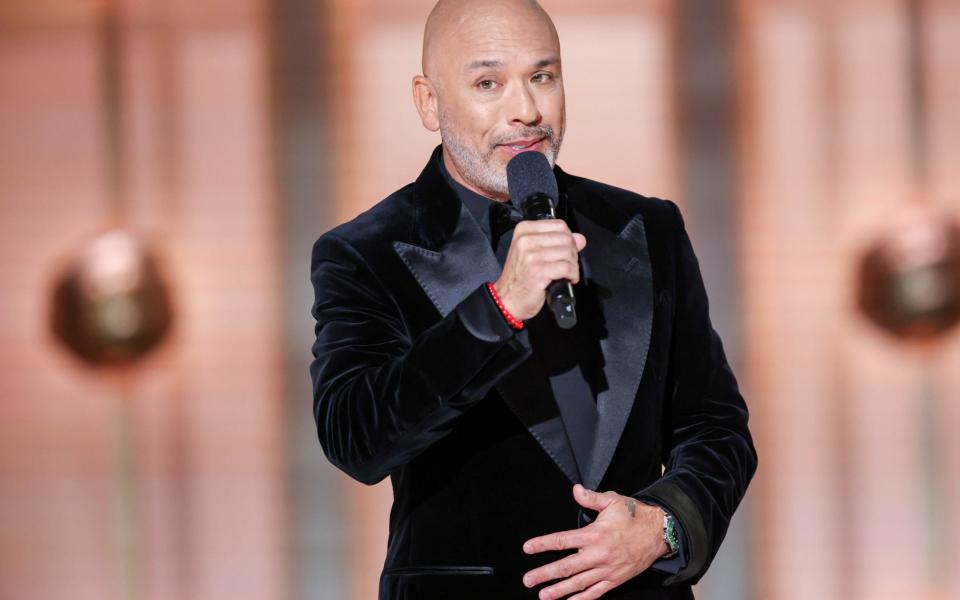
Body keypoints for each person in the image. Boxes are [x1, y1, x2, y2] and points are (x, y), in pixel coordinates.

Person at [308, 0, 757, 598]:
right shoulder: (365, 252)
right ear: (428, 101)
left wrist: (665, 525)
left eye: (542, 77)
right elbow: (356, 438)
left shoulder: (648, 228)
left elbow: (716, 425)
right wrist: (496, 309)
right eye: (488, 82)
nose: (526, 111)